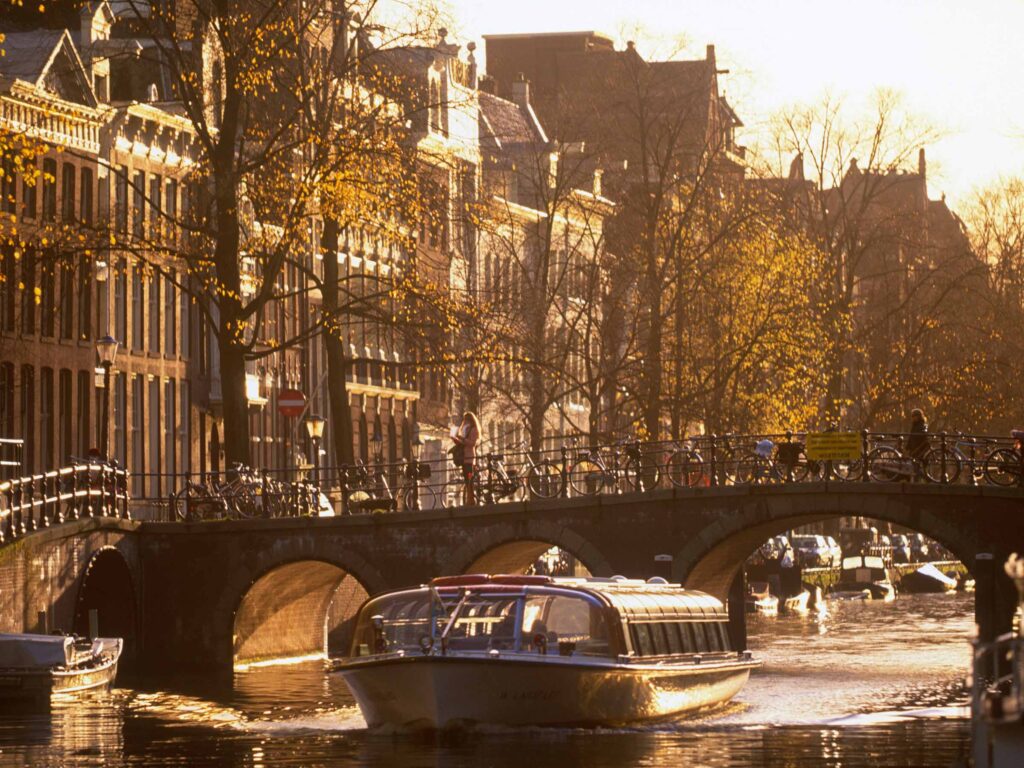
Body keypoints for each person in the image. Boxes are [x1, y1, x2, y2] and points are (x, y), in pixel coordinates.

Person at [452, 411, 480, 505]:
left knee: (469, 477)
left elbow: (472, 443)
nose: (464, 422)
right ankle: (469, 498)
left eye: (466, 420)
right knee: (466, 478)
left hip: (469, 458)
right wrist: (456, 439)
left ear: (470, 420)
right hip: (464, 458)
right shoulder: (466, 429)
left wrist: (462, 439)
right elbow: (463, 443)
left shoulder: (474, 429)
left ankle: (471, 499)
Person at [906, 409, 929, 480]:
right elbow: (911, 437)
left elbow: (922, 435)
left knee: (916, 466)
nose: (912, 418)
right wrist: (907, 447)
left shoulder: (921, 425)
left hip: (919, 449)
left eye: (914, 416)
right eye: (912, 416)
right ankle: (921, 479)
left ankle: (926, 479)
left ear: (919, 416)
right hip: (914, 449)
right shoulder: (915, 425)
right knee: (914, 466)